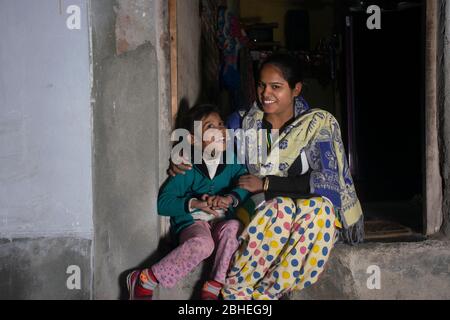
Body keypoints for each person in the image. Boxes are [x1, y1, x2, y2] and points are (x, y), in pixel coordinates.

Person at [169, 53, 364, 300]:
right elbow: (208, 148)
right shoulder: (240, 122)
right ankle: (236, 291)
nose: (265, 93)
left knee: (321, 210)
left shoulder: (317, 124)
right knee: (280, 207)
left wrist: (266, 183)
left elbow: (326, 180)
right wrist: (180, 159)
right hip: (260, 206)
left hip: (300, 209)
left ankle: (267, 295)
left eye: (276, 87)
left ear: (296, 89)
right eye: (261, 85)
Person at [127, 104, 249, 300]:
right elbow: (163, 203)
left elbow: (245, 183)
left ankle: (214, 286)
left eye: (221, 124)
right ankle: (145, 279)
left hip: (220, 221)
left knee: (234, 227)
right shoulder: (186, 165)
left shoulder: (232, 160)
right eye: (211, 127)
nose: (220, 130)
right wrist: (195, 204)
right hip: (193, 223)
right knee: (203, 245)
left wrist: (229, 198)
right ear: (193, 139)